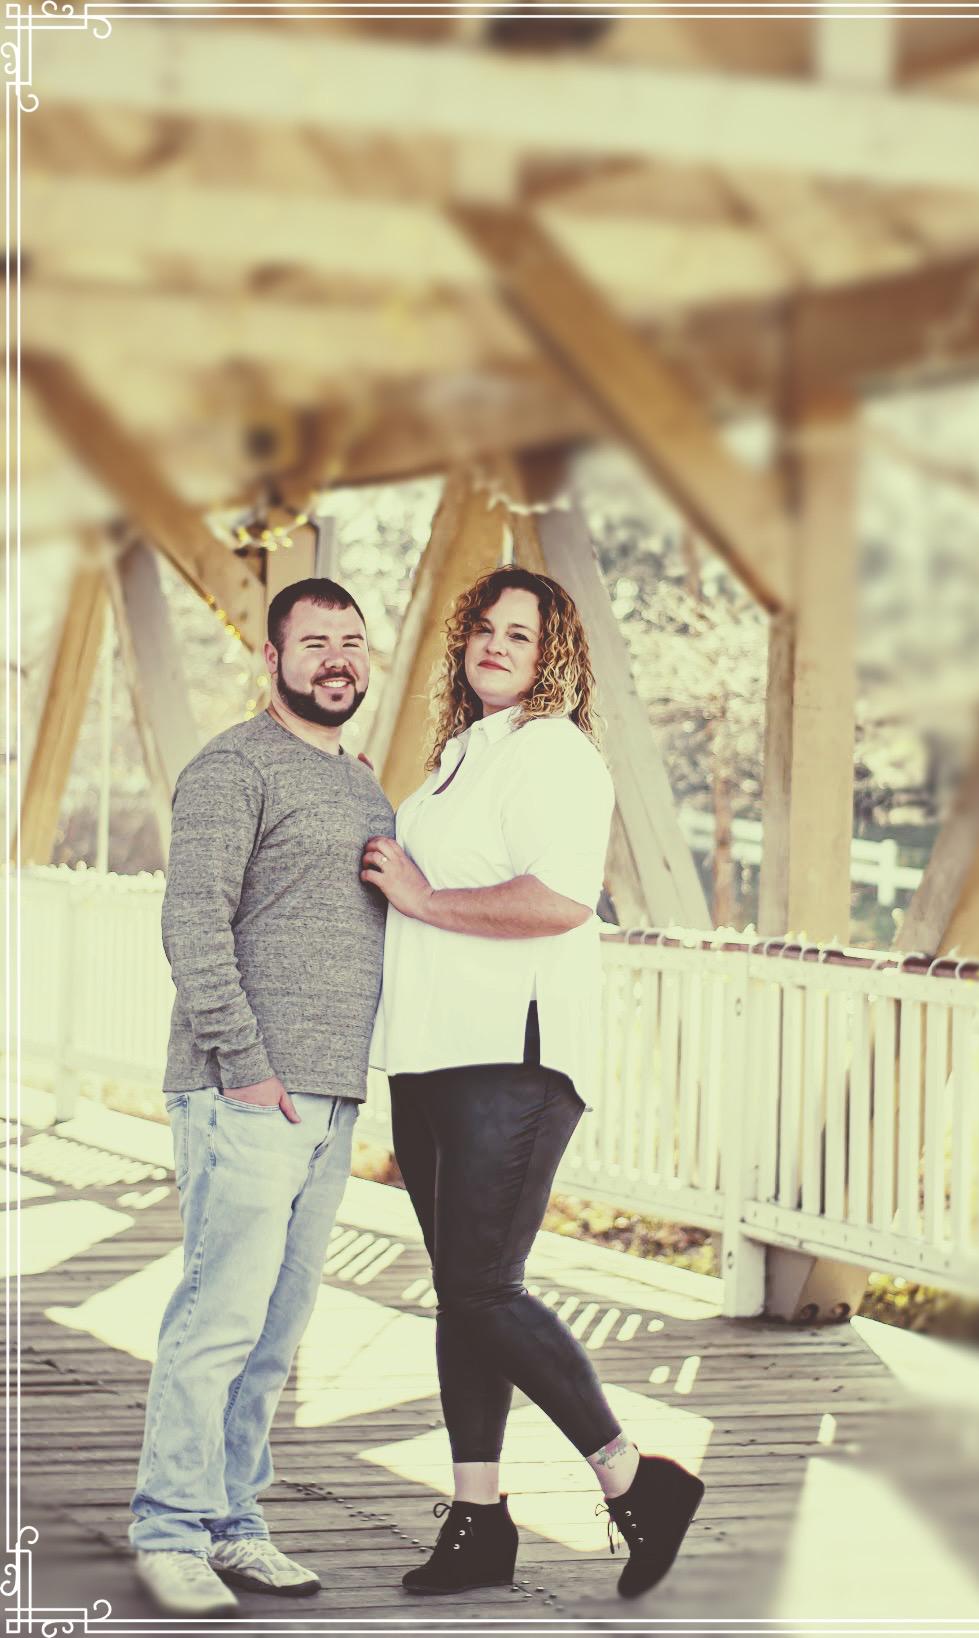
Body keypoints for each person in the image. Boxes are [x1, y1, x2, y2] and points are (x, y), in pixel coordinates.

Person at [364, 565, 704, 1601]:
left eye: (521, 632)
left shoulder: (556, 754)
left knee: (483, 1289)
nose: (497, 644)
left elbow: (558, 898)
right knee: (462, 1297)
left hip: (511, 1059)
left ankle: (635, 1480)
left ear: (552, 654)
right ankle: (478, 1520)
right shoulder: (460, 756)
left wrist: (422, 898)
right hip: (430, 1054)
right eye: (484, 627)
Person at [131, 578, 396, 1616]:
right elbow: (192, 925)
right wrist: (245, 1065)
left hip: (329, 1098)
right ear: (274, 658)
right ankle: (169, 1530)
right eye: (315, 640)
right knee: (218, 1321)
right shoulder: (232, 767)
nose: (338, 658)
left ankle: (236, 1521)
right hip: (243, 1092)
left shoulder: (362, 786)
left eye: (353, 641)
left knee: (276, 1334)